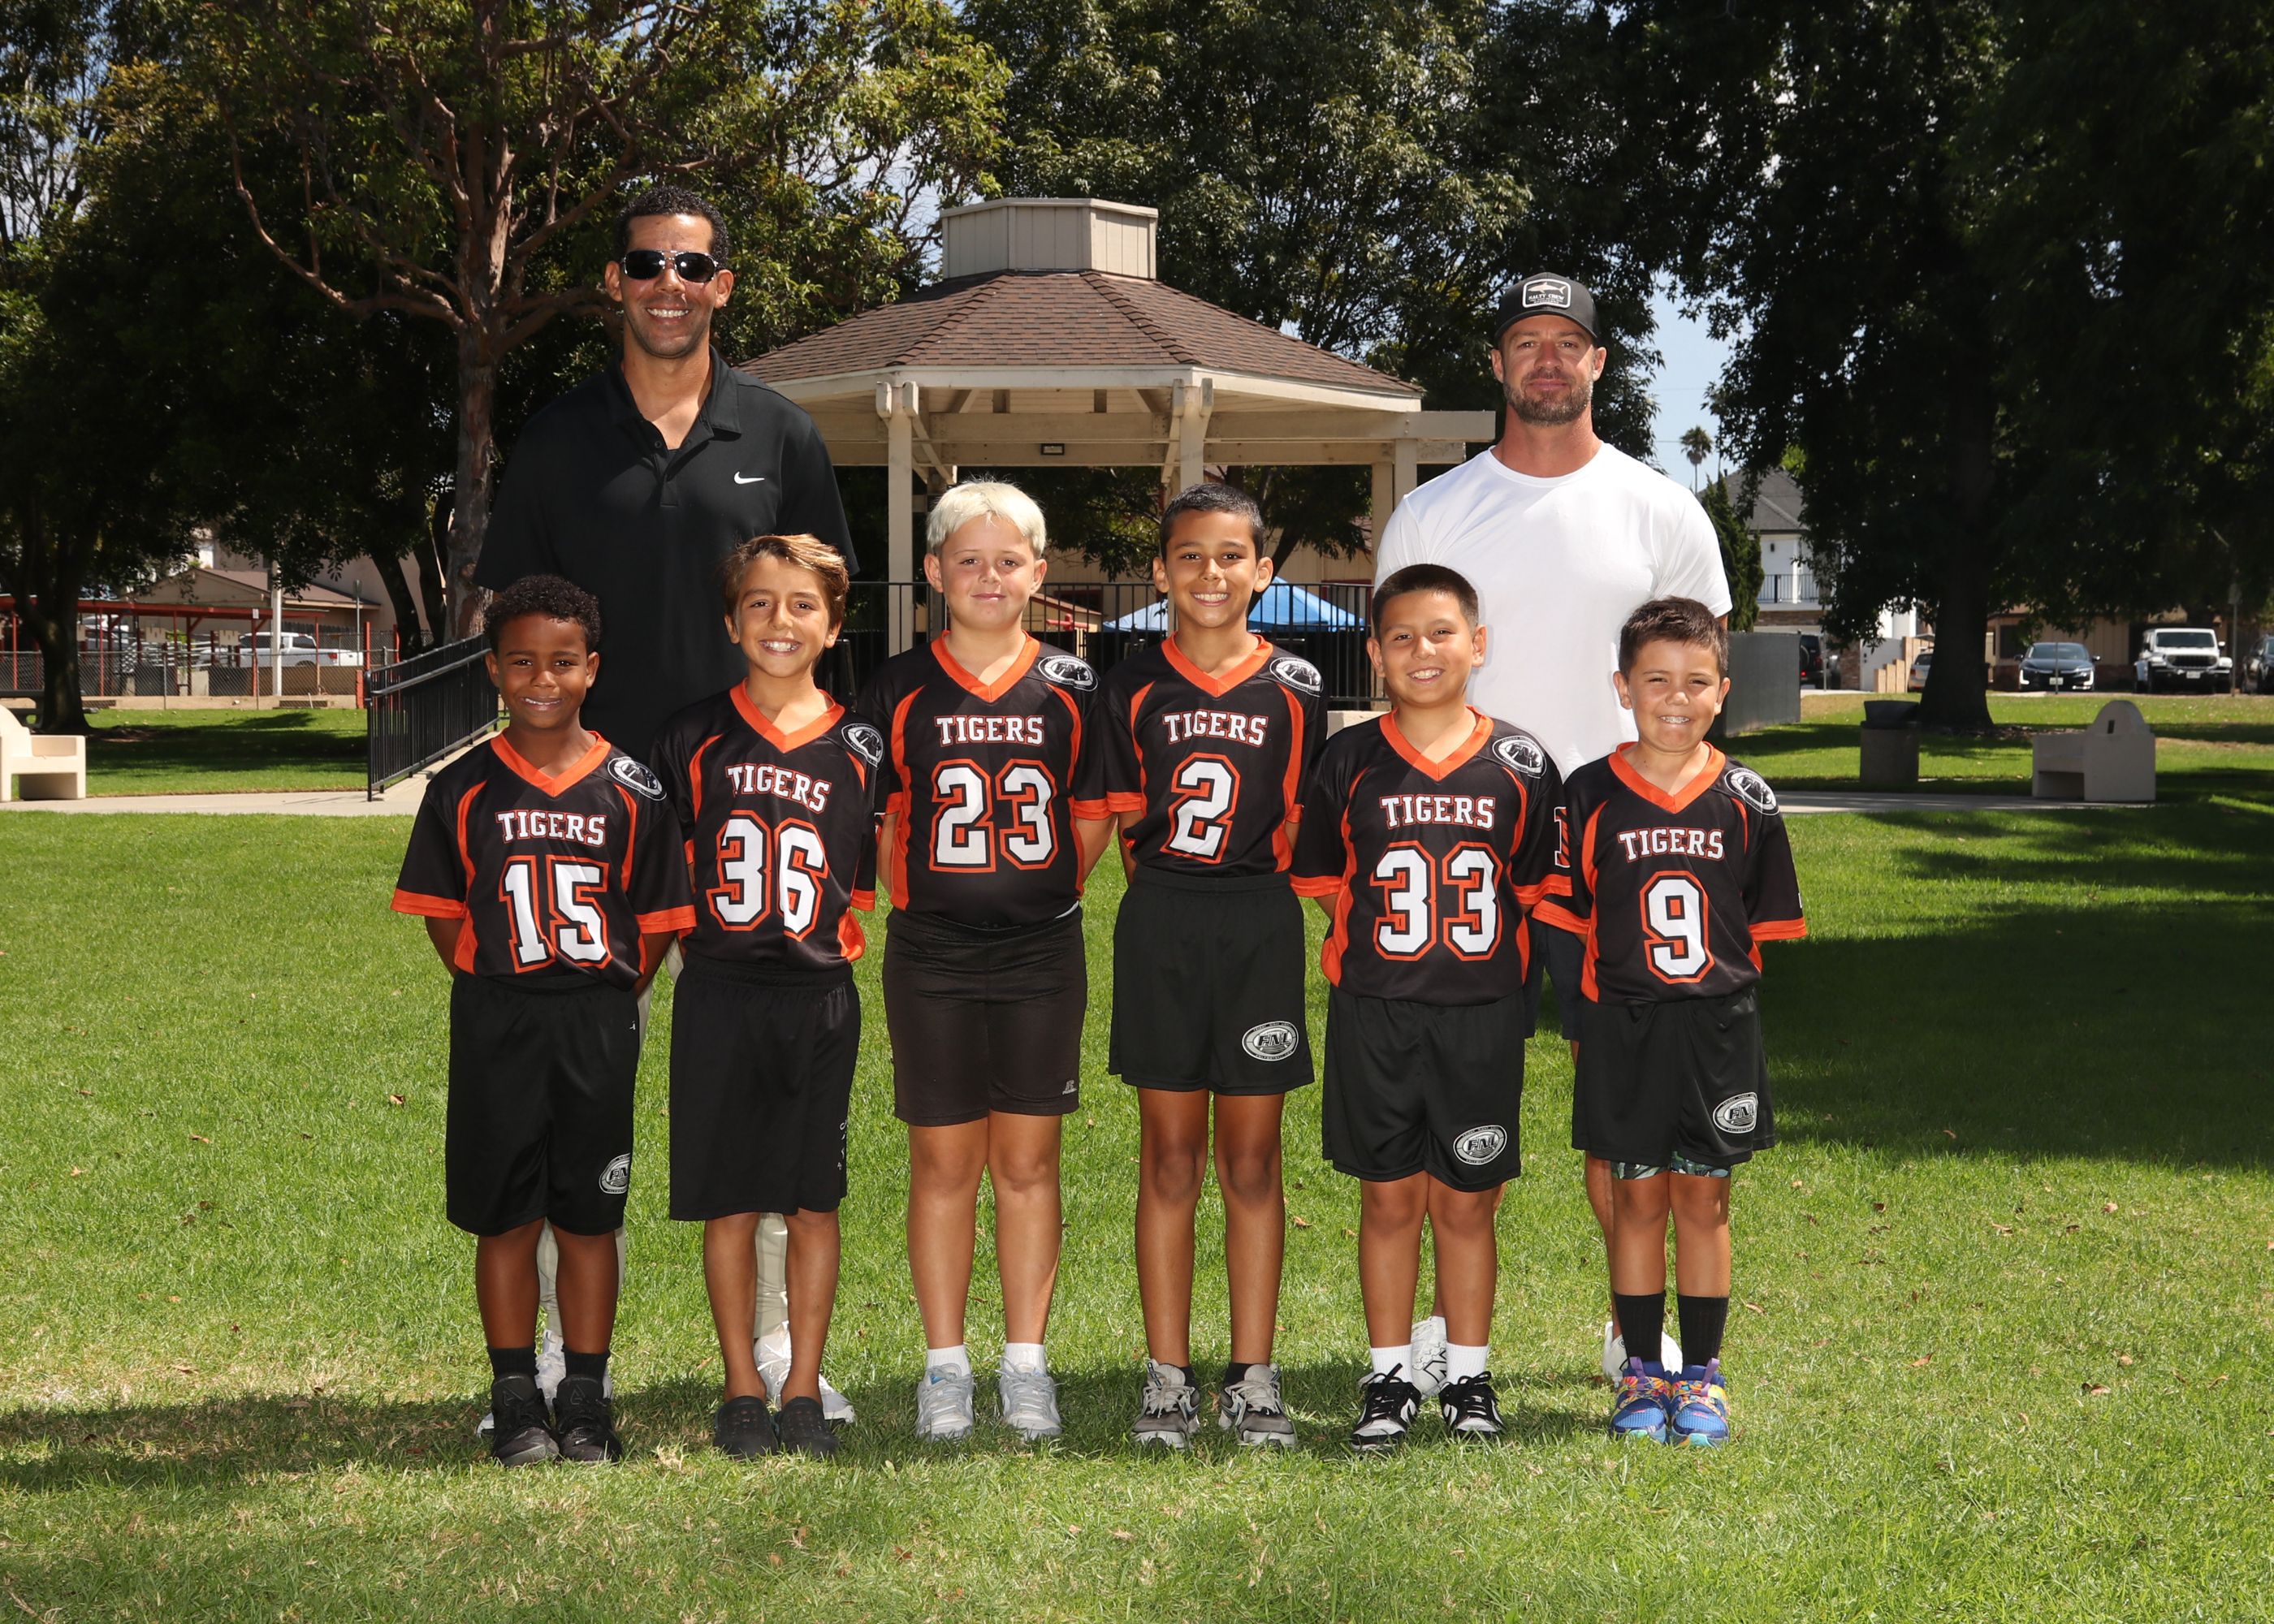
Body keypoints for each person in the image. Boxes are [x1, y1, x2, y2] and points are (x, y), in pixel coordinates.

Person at [476, 185, 857, 1413]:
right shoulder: (555, 440)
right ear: (615, 281)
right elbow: (518, 633)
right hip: (589, 824)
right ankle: (550, 1363)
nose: (668, 286)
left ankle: (784, 1361)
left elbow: (821, 622)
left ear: (722, 286)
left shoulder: (782, 435)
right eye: (646, 265)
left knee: (769, 1104)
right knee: (564, 1100)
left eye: (691, 267)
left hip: (753, 820)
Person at [1370, 272, 1731, 1385]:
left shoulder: (1661, 509)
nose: (1545, 359)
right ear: (1496, 364)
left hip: (1617, 843)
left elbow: (1697, 680)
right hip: (1463, 838)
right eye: (1524, 341)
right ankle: (1441, 1333)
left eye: (1566, 342)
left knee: (1622, 1106)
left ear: (1598, 363)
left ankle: (1635, 1332)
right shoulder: (1434, 513)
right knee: (1444, 1099)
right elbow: (1404, 668)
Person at [389, 575, 695, 1466]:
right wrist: (497, 980)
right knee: (507, 1216)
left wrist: (611, 990)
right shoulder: (461, 787)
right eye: (521, 661)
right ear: (492, 669)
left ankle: (587, 1395)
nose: (542, 679)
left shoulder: (632, 787)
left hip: (596, 1019)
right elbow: (444, 915)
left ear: (592, 668)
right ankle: (516, 1391)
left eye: (563, 662)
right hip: (501, 1020)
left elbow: (655, 919)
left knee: (589, 1216)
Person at [854, 482, 1113, 1442]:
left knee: (1029, 1160)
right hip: (932, 952)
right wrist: (935, 898)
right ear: (934, 571)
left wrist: (1039, 889)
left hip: (1043, 948)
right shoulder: (895, 687)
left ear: (1038, 574)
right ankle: (945, 1365)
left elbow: (1091, 815)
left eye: (1008, 561)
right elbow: (881, 818)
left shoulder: (1075, 684)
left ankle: (1026, 1363)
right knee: (942, 1161)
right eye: (968, 559)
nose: (988, 576)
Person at [1290, 564, 1562, 1451]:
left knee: (1469, 1201)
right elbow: (1324, 880)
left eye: (1442, 632)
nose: (1423, 650)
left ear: (1477, 644)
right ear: (1375, 653)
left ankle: (1469, 1373)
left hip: (1481, 1013)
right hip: (1376, 1012)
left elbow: (1533, 888)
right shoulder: (1347, 760)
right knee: (1387, 1199)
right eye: (1401, 636)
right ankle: (1389, 1374)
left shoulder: (1521, 763)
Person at [1534, 597, 1806, 1445]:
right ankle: (1643, 1369)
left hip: (1717, 1027)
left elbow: (1760, 929)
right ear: (1623, 687)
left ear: (1722, 690)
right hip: (1622, 1024)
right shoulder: (1587, 793)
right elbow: (1569, 917)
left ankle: (1704, 1375)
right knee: (1635, 1196)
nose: (1675, 698)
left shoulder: (1747, 798)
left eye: (1695, 681)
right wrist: (1591, 1021)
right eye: (1655, 680)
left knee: (1705, 1199)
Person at [1095, 482, 1325, 1449]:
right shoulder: (1129, 684)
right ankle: (1167, 1376)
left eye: (1231, 555)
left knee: (1253, 1158)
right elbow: (1121, 825)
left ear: (1262, 570)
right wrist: (1171, 906)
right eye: (1189, 554)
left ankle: (1254, 1373)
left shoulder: (1297, 685)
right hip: (1163, 919)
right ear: (1160, 570)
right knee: (1170, 1155)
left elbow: (1304, 823)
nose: (1210, 572)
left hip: (1259, 921)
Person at [649, 534, 882, 1460]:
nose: (779, 621)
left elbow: (862, 881)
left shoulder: (862, 745)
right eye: (759, 602)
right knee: (732, 1202)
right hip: (720, 989)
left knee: (814, 1200)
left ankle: (803, 1384)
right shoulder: (690, 735)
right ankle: (741, 1382)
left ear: (833, 625)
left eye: (801, 604)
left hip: (818, 995)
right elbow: (665, 872)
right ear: (730, 620)